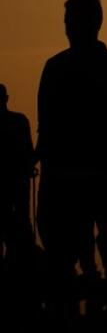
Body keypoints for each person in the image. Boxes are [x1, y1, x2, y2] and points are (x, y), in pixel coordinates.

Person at [36, 0, 107, 308]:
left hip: (73, 181)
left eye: (70, 22)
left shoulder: (57, 68)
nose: (67, 28)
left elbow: (46, 131)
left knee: (68, 263)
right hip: (101, 180)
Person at [0, 83, 34, 259]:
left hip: (15, 182)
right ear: (6, 98)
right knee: (22, 222)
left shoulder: (19, 121)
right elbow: (29, 151)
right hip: (18, 181)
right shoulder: (19, 121)